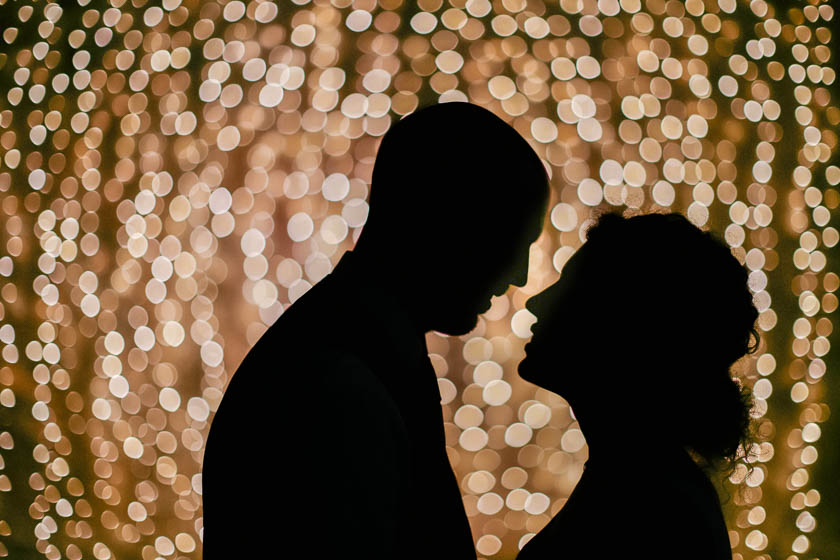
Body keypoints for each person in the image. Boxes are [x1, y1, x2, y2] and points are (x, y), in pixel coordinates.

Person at [203, 102, 550, 558]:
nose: (520, 276)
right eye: (511, 239)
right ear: (448, 221)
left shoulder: (342, 351)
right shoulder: (337, 386)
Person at [517, 212, 759, 559]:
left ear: (624, 324)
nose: (534, 302)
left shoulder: (654, 511)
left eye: (568, 290)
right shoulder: (643, 484)